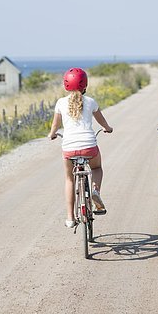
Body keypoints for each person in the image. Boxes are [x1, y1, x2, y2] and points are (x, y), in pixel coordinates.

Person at [48, 67, 113, 228]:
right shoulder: (90, 102)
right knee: (97, 168)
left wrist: (52, 134)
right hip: (89, 147)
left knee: (70, 178)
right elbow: (102, 121)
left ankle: (70, 217)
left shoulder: (61, 103)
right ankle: (95, 191)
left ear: (66, 85)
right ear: (85, 85)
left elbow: (55, 126)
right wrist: (107, 128)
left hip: (69, 149)